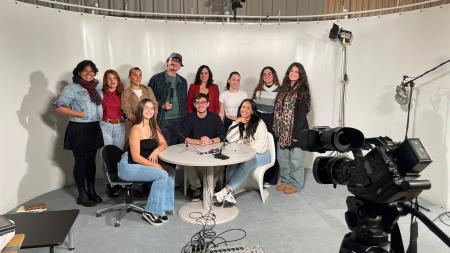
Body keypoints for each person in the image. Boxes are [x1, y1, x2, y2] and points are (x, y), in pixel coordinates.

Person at [53, 60, 104, 207]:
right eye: (85, 71)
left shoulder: (96, 89)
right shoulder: (72, 88)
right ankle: (82, 194)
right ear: (79, 72)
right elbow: (58, 106)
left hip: (93, 128)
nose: (89, 74)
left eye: (91, 71)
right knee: (81, 163)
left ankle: (91, 190)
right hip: (79, 129)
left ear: (95, 73)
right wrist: (78, 114)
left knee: (91, 163)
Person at [117, 98, 174, 226]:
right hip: (128, 166)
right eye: (146, 108)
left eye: (152, 108)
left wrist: (156, 151)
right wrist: (156, 165)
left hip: (138, 164)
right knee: (161, 173)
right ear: (141, 110)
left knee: (169, 171)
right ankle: (150, 211)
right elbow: (136, 157)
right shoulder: (136, 129)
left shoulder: (153, 127)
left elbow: (164, 143)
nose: (149, 110)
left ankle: (160, 209)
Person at [213, 99, 271, 207]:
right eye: (243, 107)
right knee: (232, 165)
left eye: (248, 108)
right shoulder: (239, 122)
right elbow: (230, 138)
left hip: (262, 155)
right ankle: (230, 194)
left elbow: (261, 145)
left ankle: (225, 191)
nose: (244, 109)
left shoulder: (259, 123)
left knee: (247, 163)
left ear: (252, 111)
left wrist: (246, 149)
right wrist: (236, 122)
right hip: (245, 154)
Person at [273, 62, 311, 194]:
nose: (293, 73)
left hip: (296, 132)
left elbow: (301, 115)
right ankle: (284, 180)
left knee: (296, 160)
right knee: (282, 158)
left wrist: (295, 136)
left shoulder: (302, 90)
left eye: (296, 71)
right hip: (283, 131)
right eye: (291, 71)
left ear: (301, 75)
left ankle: (296, 184)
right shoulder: (284, 89)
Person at [183, 93, 225, 201]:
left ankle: (211, 187)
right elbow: (183, 137)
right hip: (195, 150)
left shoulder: (215, 117)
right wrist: (199, 142)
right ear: (194, 104)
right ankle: (196, 188)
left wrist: (210, 141)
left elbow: (223, 135)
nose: (200, 104)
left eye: (203, 102)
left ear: (208, 104)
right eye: (198, 102)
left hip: (212, 149)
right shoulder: (189, 118)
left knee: (220, 161)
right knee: (187, 161)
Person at [148, 52, 188, 145]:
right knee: (163, 147)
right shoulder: (156, 79)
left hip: (180, 120)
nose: (175, 63)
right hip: (162, 120)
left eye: (178, 61)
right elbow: (148, 100)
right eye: (172, 60)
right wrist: (162, 105)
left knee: (178, 147)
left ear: (180, 66)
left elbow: (184, 102)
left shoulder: (183, 81)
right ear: (167, 62)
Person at [251, 66, 281, 187]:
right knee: (260, 148)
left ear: (273, 75)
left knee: (272, 150)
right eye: (264, 74)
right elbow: (254, 109)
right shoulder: (258, 90)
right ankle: (259, 176)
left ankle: (271, 178)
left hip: (273, 121)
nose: (267, 76)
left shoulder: (280, 90)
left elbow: (280, 111)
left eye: (269, 74)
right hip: (260, 121)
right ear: (262, 77)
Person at [101, 69, 126, 198]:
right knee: (107, 156)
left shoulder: (122, 94)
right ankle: (109, 185)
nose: (112, 81)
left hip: (120, 126)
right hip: (105, 125)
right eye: (109, 78)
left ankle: (118, 183)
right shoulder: (101, 94)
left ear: (118, 80)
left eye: (115, 78)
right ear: (105, 81)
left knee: (118, 155)